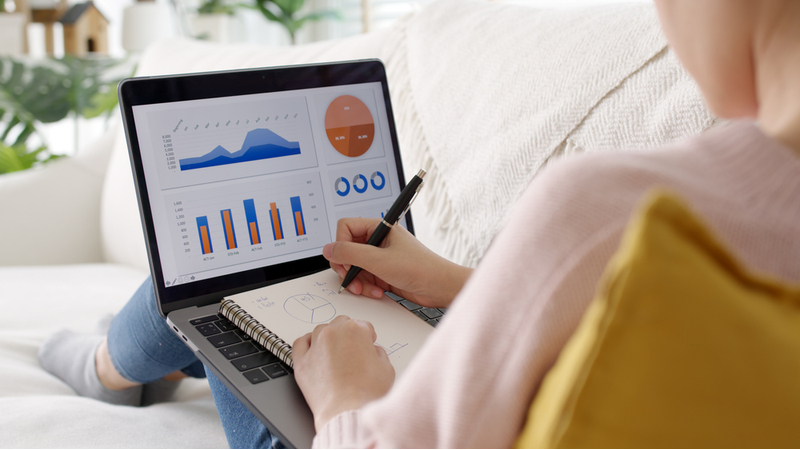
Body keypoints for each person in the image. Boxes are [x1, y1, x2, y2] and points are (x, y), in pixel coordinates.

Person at [39, 0, 800, 447]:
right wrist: (460, 285)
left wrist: (345, 398)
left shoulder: (610, 211)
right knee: (252, 297)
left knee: (217, 296)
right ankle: (137, 362)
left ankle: (111, 367)